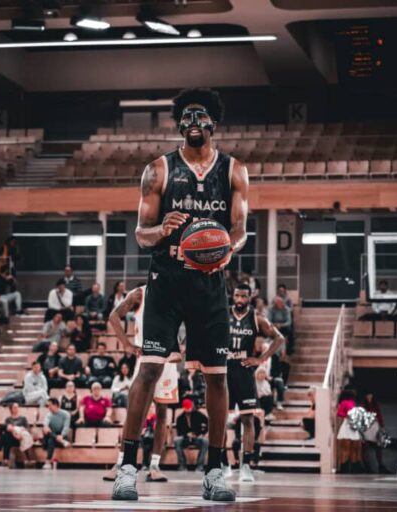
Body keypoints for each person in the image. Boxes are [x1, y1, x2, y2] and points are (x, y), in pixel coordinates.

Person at [112, 87, 247, 502]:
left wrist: (227, 250)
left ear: (213, 122)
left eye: (200, 116)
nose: (192, 122)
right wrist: (162, 230)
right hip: (166, 280)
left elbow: (240, 230)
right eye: (185, 117)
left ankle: (215, 471)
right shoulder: (158, 170)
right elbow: (141, 233)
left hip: (209, 283)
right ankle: (128, 468)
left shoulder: (233, 170)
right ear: (179, 124)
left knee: (217, 377)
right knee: (149, 371)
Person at [104, 284, 181, 483]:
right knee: (134, 412)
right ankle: (121, 462)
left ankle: (154, 465)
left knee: (162, 413)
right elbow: (114, 316)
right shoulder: (140, 293)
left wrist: (183, 347)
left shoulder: (178, 291)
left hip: (168, 360)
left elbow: (192, 322)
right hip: (145, 358)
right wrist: (127, 345)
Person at [224, 283, 285, 481]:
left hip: (244, 370)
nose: (239, 299)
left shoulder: (257, 318)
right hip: (225, 369)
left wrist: (260, 359)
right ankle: (223, 464)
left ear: (249, 298)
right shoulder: (223, 314)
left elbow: (279, 338)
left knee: (248, 419)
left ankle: (246, 466)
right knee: (220, 419)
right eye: (237, 295)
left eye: (243, 296)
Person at [0, 402, 32, 469]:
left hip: (20, 438)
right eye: (14, 407)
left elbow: (27, 428)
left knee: (5, 437)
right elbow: (5, 429)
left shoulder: (23, 418)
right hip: (11, 438)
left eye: (17, 407)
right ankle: (5, 460)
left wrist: (20, 433)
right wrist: (13, 431)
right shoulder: (8, 419)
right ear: (11, 409)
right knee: (6, 434)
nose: (16, 408)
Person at [174, 398, 209, 472]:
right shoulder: (180, 418)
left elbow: (208, 423)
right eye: (186, 407)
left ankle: (200, 466)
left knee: (205, 441)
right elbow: (179, 431)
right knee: (177, 440)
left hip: (197, 437)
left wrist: (202, 434)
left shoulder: (198, 414)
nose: (189, 409)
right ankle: (182, 465)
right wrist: (186, 434)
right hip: (185, 438)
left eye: (189, 407)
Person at [336, 388, 362, 474]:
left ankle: (353, 468)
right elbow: (339, 413)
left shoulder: (353, 402)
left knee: (355, 448)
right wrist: (347, 415)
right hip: (347, 425)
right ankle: (344, 468)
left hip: (353, 425)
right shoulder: (344, 402)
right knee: (345, 448)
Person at [362, 390, 389, 474]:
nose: (369, 397)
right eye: (368, 396)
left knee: (378, 445)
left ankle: (380, 465)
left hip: (375, 427)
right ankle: (367, 466)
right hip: (367, 428)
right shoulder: (364, 406)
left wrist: (382, 426)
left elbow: (379, 415)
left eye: (370, 395)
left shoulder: (375, 406)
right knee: (365, 447)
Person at [41, 398, 71, 469]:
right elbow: (45, 425)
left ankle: (48, 462)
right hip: (51, 434)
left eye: (50, 405)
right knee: (47, 432)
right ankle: (62, 441)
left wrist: (62, 435)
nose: (48, 407)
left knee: (51, 440)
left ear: (55, 405)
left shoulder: (66, 414)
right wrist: (46, 427)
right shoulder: (48, 415)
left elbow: (66, 427)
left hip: (61, 435)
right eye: (47, 405)